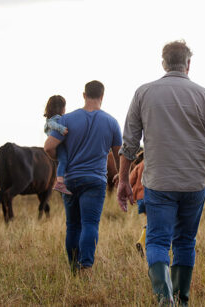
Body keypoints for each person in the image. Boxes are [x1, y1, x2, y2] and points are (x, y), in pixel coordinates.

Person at [117, 40, 205, 306]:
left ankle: (165, 298)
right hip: (193, 183)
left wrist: (123, 182)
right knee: (185, 241)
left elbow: (129, 144)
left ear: (163, 63)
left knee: (157, 240)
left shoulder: (143, 93)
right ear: (188, 64)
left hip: (158, 182)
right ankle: (181, 300)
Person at [43, 80, 122, 275]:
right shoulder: (111, 122)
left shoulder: (66, 120)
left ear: (84, 95)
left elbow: (48, 147)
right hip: (95, 181)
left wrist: (59, 159)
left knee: (72, 225)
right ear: (102, 97)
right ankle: (86, 266)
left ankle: (73, 268)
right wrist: (121, 174)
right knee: (90, 224)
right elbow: (119, 153)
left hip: (70, 179)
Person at [43, 95, 72, 194]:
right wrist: (61, 129)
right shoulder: (54, 119)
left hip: (58, 143)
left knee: (63, 161)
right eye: (64, 107)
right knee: (63, 160)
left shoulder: (51, 119)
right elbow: (52, 125)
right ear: (60, 108)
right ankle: (59, 183)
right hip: (58, 144)